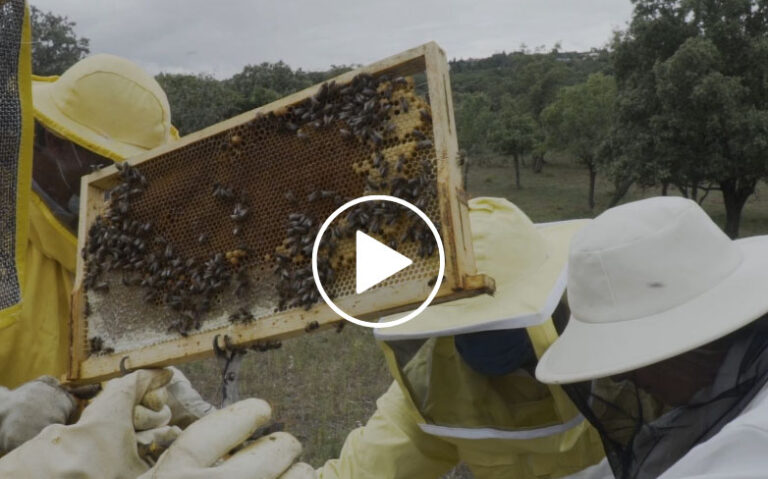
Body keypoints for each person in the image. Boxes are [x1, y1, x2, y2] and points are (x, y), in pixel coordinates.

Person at [317, 197, 605, 479]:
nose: (478, 337)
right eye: (463, 325)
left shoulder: (611, 353)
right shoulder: (435, 380)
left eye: (494, 320)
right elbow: (371, 465)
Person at [535, 196, 768, 479]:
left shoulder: (752, 448)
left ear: (689, 342)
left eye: (628, 355)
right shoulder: (723, 386)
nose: (620, 377)